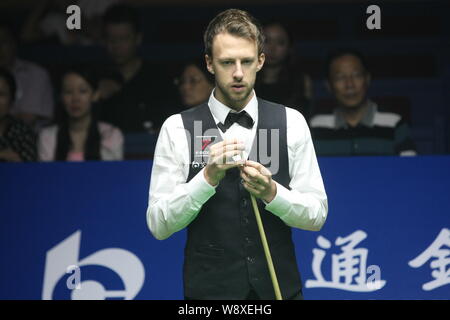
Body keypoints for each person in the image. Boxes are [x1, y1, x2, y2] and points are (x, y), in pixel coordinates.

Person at [146, 9, 328, 300]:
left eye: (246, 61)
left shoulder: (290, 122)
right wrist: (206, 178)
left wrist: (272, 193)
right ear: (209, 63)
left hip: (279, 292)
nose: (239, 73)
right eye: (227, 62)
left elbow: (316, 215)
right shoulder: (178, 128)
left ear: (261, 60)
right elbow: (158, 223)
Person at [309, 49, 417, 156]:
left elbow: (411, 170)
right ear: (328, 85)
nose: (349, 85)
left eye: (356, 75)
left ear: (367, 79)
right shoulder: (315, 127)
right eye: (340, 77)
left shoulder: (395, 124)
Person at [97, 4, 176, 134]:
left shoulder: (158, 78)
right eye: (111, 39)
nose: (116, 45)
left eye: (123, 39)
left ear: (137, 39)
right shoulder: (96, 79)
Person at [38, 66, 123, 161]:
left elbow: (112, 174)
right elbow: (48, 175)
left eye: (83, 91)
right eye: (68, 92)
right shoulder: (48, 136)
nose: (75, 99)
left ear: (95, 95)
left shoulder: (111, 134)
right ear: (61, 97)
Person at [0, 23, 54, 131]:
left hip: (31, 142)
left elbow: (28, 119)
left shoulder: (36, 74)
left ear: (14, 44)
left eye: (3, 42)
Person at [254, 21, 313, 120]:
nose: (272, 48)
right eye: (266, 41)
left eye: (280, 42)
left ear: (289, 48)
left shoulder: (302, 81)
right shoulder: (243, 78)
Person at [0, 67, 37, 162]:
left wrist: (18, 163)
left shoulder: (23, 133)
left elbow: (31, 172)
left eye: (1, 94)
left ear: (12, 100)